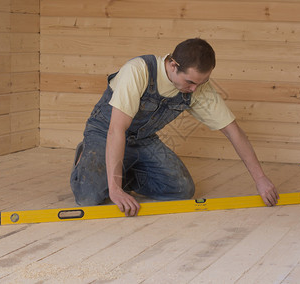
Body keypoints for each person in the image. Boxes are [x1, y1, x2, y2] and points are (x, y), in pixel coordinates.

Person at [70, 38, 279, 216]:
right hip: (105, 133)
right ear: (172, 65)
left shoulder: (198, 88)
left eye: (201, 82)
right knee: (89, 197)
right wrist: (114, 189)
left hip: (142, 139)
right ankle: (87, 155)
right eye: (190, 82)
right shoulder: (138, 71)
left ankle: (121, 169)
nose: (195, 89)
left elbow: (233, 131)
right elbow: (116, 130)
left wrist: (260, 178)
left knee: (181, 190)